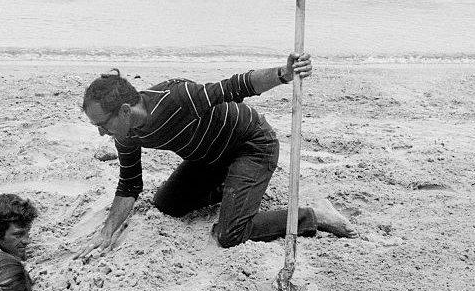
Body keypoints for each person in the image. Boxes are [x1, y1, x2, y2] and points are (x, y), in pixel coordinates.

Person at [76, 52, 355, 259]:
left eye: (103, 124)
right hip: (208, 161)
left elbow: (236, 86)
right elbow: (129, 185)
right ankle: (232, 189)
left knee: (230, 234)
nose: (102, 133)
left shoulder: (176, 97)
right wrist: (106, 232)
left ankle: (313, 216)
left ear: (125, 110)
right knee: (166, 205)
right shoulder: (125, 134)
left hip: (251, 145)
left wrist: (284, 73)